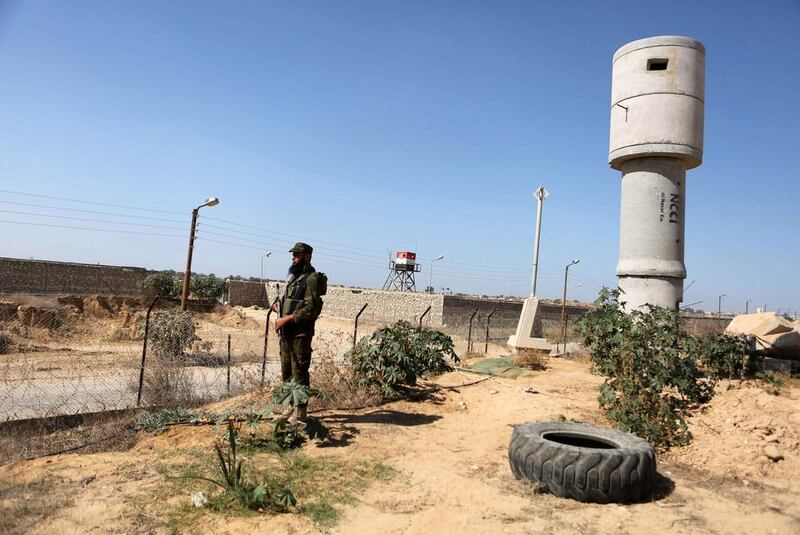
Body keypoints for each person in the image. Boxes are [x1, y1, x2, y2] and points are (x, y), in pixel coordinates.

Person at [273, 242, 325, 422]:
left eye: (297, 254)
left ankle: (300, 413)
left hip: (300, 334)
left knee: (299, 372)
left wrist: (285, 319)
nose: (293, 257)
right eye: (293, 254)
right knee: (286, 371)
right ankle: (289, 407)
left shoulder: (311, 278)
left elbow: (310, 309)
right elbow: (292, 301)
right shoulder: (295, 278)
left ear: (307, 256)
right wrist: (279, 309)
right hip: (287, 333)